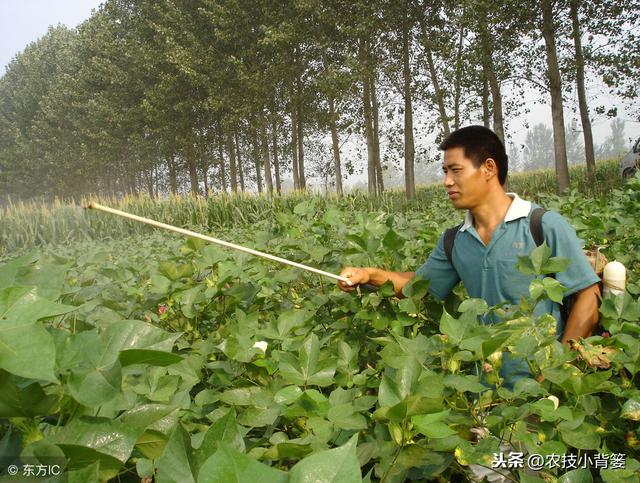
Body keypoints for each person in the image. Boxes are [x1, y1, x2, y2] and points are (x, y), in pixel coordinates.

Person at [338, 125, 600, 388]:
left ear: (489, 168)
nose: (447, 181)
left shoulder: (542, 225)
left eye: (456, 170)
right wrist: (368, 275)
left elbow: (587, 298)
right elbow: (417, 287)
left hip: (542, 392)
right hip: (483, 392)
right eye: (445, 171)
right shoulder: (455, 240)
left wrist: (554, 378)